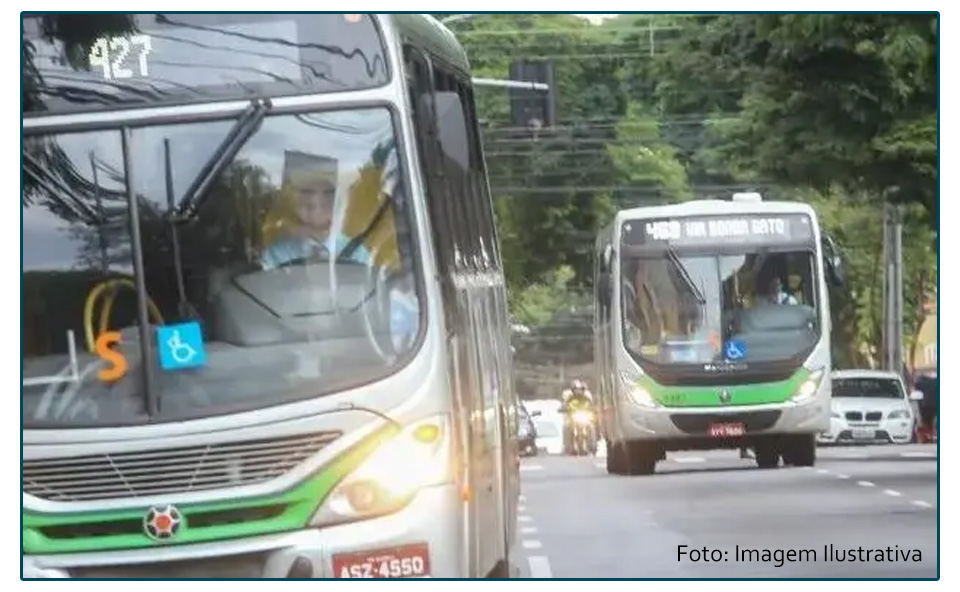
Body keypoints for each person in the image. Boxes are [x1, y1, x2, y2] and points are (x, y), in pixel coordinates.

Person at [261, 153, 371, 270]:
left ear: (338, 199)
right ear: (292, 199)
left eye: (329, 193)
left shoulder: (357, 253)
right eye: (306, 191)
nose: (316, 202)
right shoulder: (275, 255)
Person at [561, 379, 595, 452]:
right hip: (573, 417)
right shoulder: (570, 397)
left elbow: (592, 404)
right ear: (573, 390)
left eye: (580, 389)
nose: (578, 391)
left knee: (591, 426)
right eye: (576, 389)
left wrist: (594, 409)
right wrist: (563, 408)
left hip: (584, 417)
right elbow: (564, 405)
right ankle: (568, 446)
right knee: (567, 426)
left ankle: (592, 444)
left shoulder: (587, 397)